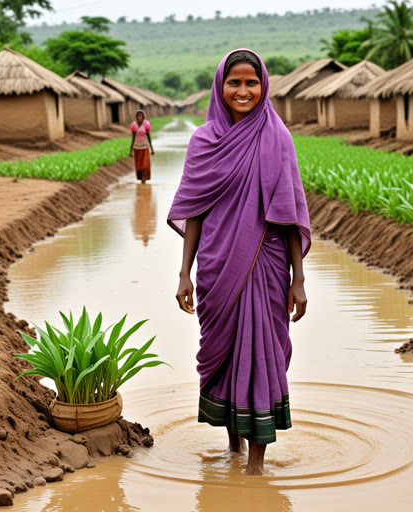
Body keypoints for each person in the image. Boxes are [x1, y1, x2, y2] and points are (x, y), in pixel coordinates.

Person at [167, 49, 311, 475]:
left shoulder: (277, 137)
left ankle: (255, 466)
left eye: (252, 82)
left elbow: (288, 213)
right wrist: (183, 272)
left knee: (260, 352)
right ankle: (232, 448)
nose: (243, 91)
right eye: (235, 82)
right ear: (221, 86)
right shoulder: (203, 140)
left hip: (265, 261)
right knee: (226, 354)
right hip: (215, 263)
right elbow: (194, 210)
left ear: (264, 85)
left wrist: (298, 278)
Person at [130, 110, 154, 183]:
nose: (139, 117)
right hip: (137, 147)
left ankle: (144, 178)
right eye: (138, 115)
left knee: (145, 164)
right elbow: (133, 137)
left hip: (145, 147)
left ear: (143, 116)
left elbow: (149, 137)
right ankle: (141, 179)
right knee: (139, 165)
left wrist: (152, 148)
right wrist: (130, 149)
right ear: (136, 117)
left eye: (141, 115)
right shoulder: (134, 125)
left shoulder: (146, 124)